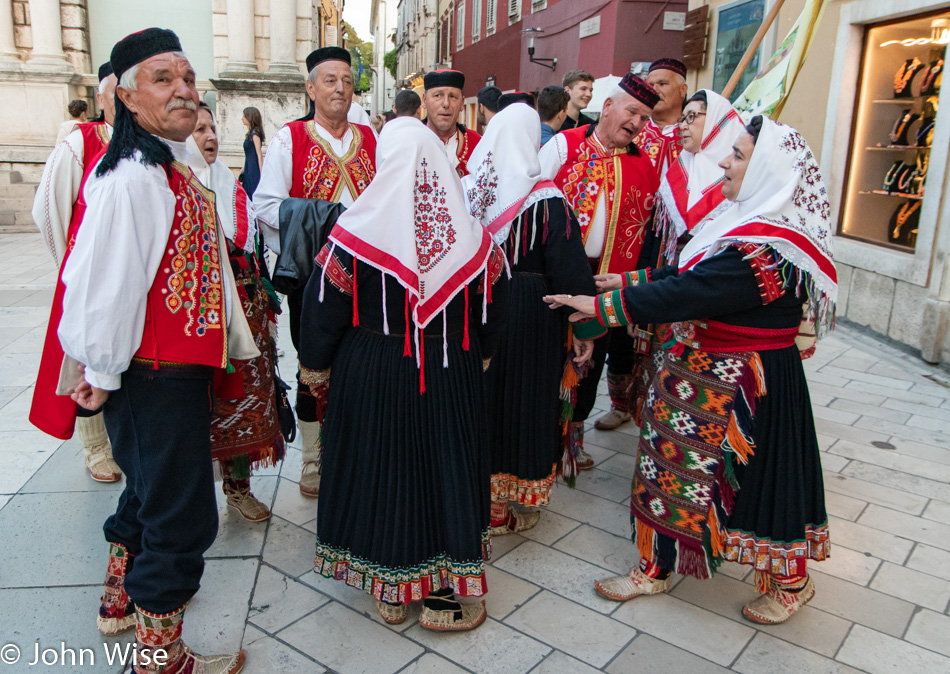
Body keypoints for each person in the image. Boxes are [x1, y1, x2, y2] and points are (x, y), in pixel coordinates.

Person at [548, 116, 835, 626]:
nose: (725, 160)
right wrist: (631, 279)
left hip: (748, 389)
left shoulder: (771, 249)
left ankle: (790, 583)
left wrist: (607, 307)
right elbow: (688, 269)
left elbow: (697, 290)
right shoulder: (737, 222)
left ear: (771, 172)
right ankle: (655, 567)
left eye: (740, 155)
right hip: (692, 375)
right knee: (666, 472)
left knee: (763, 485)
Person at [58, 28, 251, 672]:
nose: (183, 90)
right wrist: (102, 367)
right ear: (127, 97)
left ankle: (120, 596)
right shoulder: (134, 176)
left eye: (188, 77)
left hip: (172, 372)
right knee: (183, 513)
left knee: (149, 491)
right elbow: (106, 281)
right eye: (163, 79)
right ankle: (160, 655)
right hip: (150, 374)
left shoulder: (170, 166)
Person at [299, 116, 509, 630]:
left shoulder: (354, 232)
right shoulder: (474, 239)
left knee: (381, 467)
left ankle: (389, 586)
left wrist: (316, 368)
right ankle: (443, 579)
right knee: (446, 467)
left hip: (372, 369)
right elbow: (494, 307)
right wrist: (479, 355)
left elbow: (322, 308)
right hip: (448, 367)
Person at [462, 102, 596, 533]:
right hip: (533, 313)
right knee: (527, 401)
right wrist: (585, 328)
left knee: (484, 400)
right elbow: (572, 273)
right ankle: (519, 498)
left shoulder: (470, 191)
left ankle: (485, 501)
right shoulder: (549, 200)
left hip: (478, 308)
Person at [254, 46, 377, 498]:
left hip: (368, 279)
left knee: (365, 363)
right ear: (310, 88)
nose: (340, 88)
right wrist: (331, 218)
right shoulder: (291, 138)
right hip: (314, 279)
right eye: (329, 80)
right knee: (313, 365)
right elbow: (265, 206)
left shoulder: (372, 139)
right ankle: (312, 460)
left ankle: (358, 451)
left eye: (346, 79)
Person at [538, 73, 660, 461]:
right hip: (553, 279)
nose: (636, 124)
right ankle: (541, 442)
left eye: (644, 119)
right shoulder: (563, 146)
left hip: (606, 288)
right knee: (547, 364)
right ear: (608, 106)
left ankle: (572, 445)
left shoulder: (645, 167)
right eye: (632, 112)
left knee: (590, 368)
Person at [624, 89, 746, 426]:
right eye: (683, 118)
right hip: (670, 283)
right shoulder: (677, 172)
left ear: (719, 123)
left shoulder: (740, 185)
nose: (683, 126)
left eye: (694, 117)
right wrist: (639, 286)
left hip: (709, 299)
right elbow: (657, 237)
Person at [190, 102, 285, 522]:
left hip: (246, 318)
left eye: (212, 127)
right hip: (197, 325)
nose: (210, 136)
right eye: (198, 130)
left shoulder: (231, 188)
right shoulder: (173, 190)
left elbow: (255, 252)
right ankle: (188, 501)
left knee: (243, 401)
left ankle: (238, 487)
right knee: (198, 409)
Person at [29, 61, 119, 484]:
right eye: (116, 91)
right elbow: (47, 209)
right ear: (102, 97)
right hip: (86, 276)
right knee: (83, 358)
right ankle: (95, 446)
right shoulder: (81, 142)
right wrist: (73, 264)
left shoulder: (157, 143)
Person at [422, 69, 481, 177]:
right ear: (424, 100)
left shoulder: (477, 144)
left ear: (462, 103)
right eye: (437, 95)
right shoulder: (411, 143)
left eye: (453, 96)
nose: (446, 104)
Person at [635, 58, 689, 177]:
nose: (654, 90)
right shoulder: (632, 134)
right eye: (650, 85)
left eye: (662, 84)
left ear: (682, 90)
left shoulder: (695, 136)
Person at [240, 106, 264, 198]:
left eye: (244, 116)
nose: (242, 118)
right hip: (248, 167)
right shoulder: (250, 134)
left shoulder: (255, 134)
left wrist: (262, 173)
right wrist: (243, 168)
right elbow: (249, 154)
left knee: (253, 192)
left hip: (254, 169)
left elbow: (259, 155)